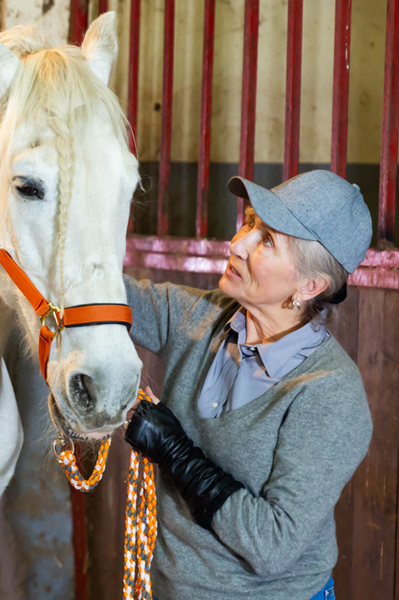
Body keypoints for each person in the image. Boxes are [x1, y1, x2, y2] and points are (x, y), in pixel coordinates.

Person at [122, 170, 372, 600]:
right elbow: (103, 297)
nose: (237, 244)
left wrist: (176, 454)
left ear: (309, 286)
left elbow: (273, 544)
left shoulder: (330, 393)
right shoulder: (199, 317)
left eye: (268, 241)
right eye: (251, 222)